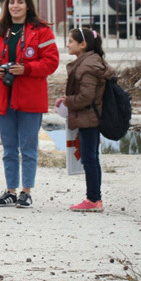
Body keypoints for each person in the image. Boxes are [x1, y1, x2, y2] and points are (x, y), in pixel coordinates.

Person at [0, 0, 59, 209]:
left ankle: (26, 192)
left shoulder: (42, 30)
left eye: (19, 2)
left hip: (30, 97)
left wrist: (25, 69)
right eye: (11, 3)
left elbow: (51, 62)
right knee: (8, 147)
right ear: (6, 6)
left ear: (28, 5)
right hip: (4, 96)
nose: (15, 6)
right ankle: (10, 190)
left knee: (28, 146)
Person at [57, 28, 113, 213]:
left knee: (89, 158)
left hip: (88, 118)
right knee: (91, 157)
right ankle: (94, 198)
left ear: (83, 45)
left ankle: (94, 199)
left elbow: (86, 97)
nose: (67, 44)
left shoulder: (87, 67)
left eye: (71, 41)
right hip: (88, 117)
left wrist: (68, 101)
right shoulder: (88, 62)